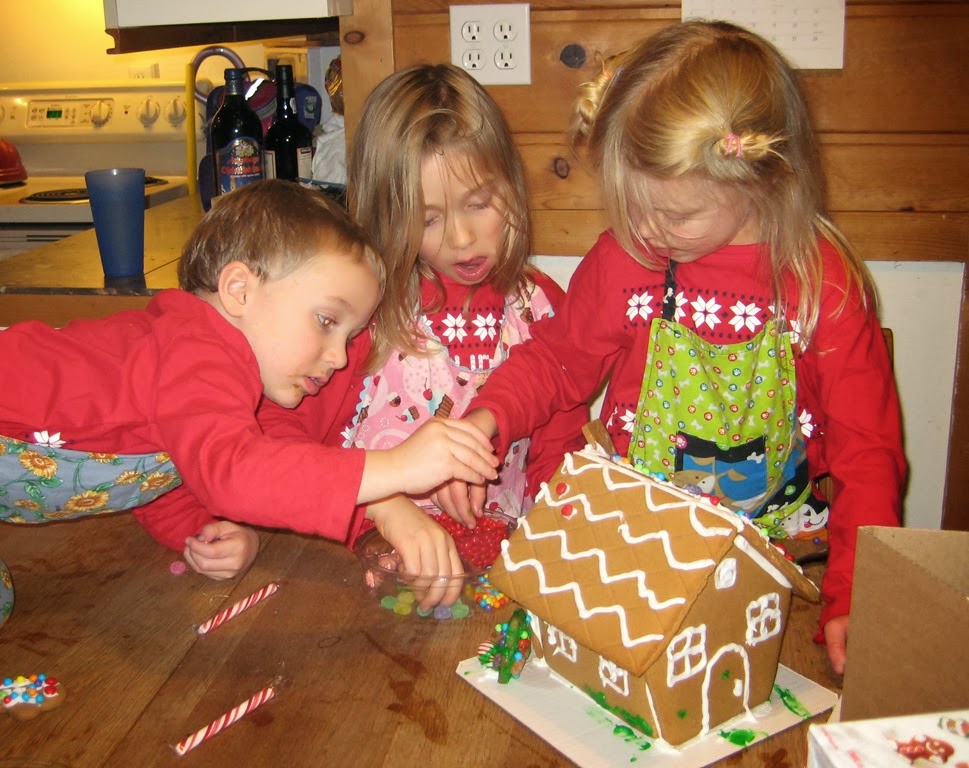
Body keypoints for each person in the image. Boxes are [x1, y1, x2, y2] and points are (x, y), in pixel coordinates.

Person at [438, 21, 906, 673]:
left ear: (763, 181)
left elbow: (867, 453)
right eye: (631, 206)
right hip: (638, 549)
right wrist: (485, 420)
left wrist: (856, 596)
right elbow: (555, 362)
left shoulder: (820, 285)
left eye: (675, 215)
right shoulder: (625, 259)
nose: (646, 231)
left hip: (777, 564)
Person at [0, 179, 499, 628]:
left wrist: (203, 531)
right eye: (327, 321)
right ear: (239, 290)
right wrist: (395, 469)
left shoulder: (195, 374)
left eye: (349, 337)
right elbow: (232, 473)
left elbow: (160, 464)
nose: (338, 357)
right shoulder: (199, 348)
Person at [336, 63, 587, 568]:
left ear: (509, 183)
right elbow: (309, 453)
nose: (462, 238)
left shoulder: (540, 307)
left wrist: (557, 534)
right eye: (428, 218)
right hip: (370, 552)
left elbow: (561, 446)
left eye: (479, 203)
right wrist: (379, 513)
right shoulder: (362, 310)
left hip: (498, 561)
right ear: (389, 215)